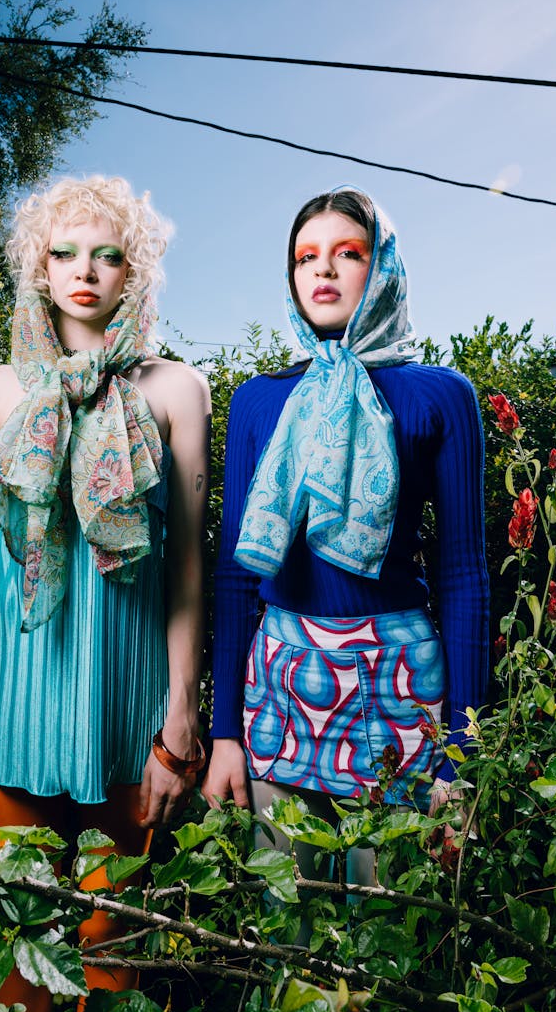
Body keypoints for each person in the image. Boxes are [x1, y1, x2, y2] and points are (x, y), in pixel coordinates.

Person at [0, 176, 210, 1012]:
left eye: (107, 253)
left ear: (135, 272)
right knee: (20, 954)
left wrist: (181, 718)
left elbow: (187, 568)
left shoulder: (176, 391)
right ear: (38, 269)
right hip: (14, 707)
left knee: (109, 948)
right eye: (64, 252)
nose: (85, 270)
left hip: (128, 714)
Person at [202, 186, 489, 887]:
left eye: (347, 253)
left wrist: (462, 752)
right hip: (279, 687)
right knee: (285, 928)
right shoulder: (259, 399)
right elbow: (239, 576)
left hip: (399, 686)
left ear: (382, 266)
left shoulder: (439, 394)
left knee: (389, 929)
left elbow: (463, 577)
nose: (323, 270)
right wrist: (225, 734)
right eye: (306, 257)